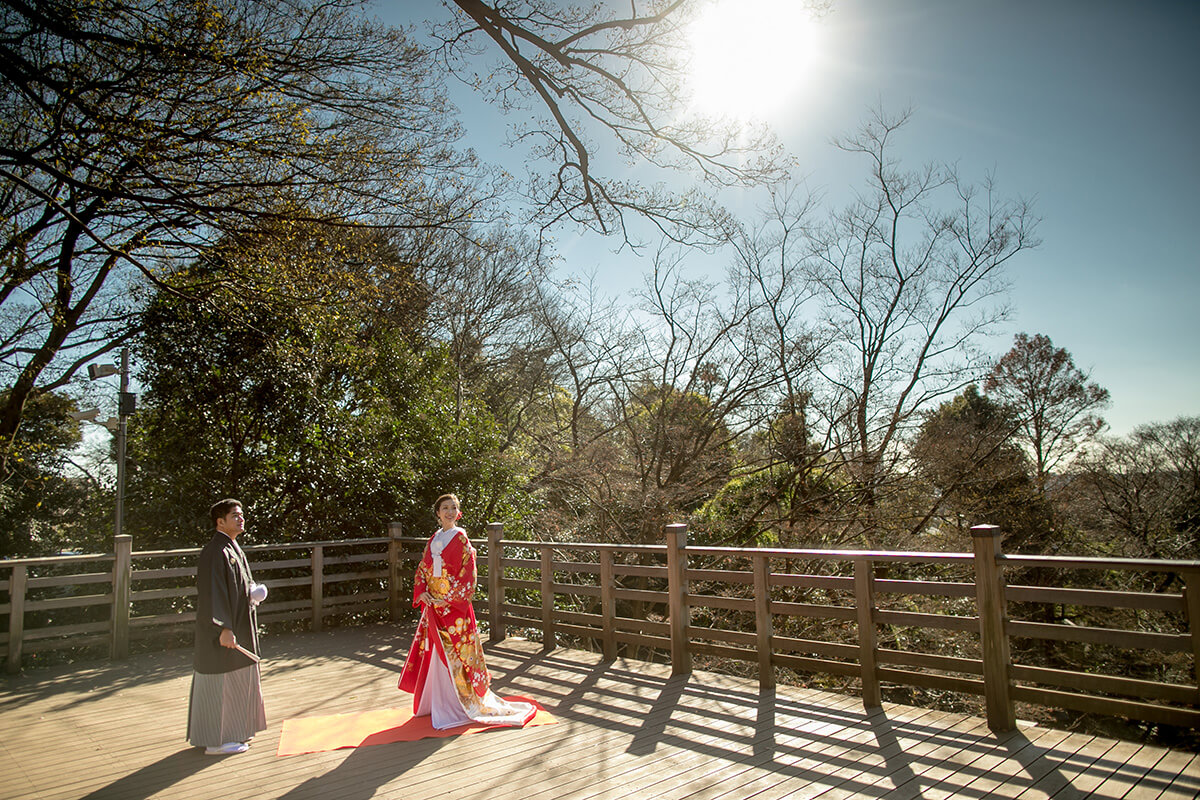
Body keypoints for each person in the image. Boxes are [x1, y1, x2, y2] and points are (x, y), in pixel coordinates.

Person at [398, 493, 535, 729]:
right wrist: (422, 592)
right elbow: (423, 569)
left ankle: (458, 703)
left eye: (453, 508)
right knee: (436, 654)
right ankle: (436, 703)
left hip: (454, 610)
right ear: (438, 513)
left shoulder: (461, 539)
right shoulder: (433, 539)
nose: (449, 512)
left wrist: (448, 600)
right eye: (444, 508)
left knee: (458, 654)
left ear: (458, 512)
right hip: (434, 607)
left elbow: (468, 577)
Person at [187, 499, 268, 755]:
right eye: (235, 515)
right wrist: (223, 627)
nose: (241, 519)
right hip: (222, 632)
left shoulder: (232, 548)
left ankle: (231, 732)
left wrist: (252, 593)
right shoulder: (215, 551)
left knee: (237, 679)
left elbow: (236, 586)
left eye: (241, 515)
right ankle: (217, 741)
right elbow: (213, 594)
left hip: (237, 625)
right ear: (220, 521)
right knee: (221, 683)